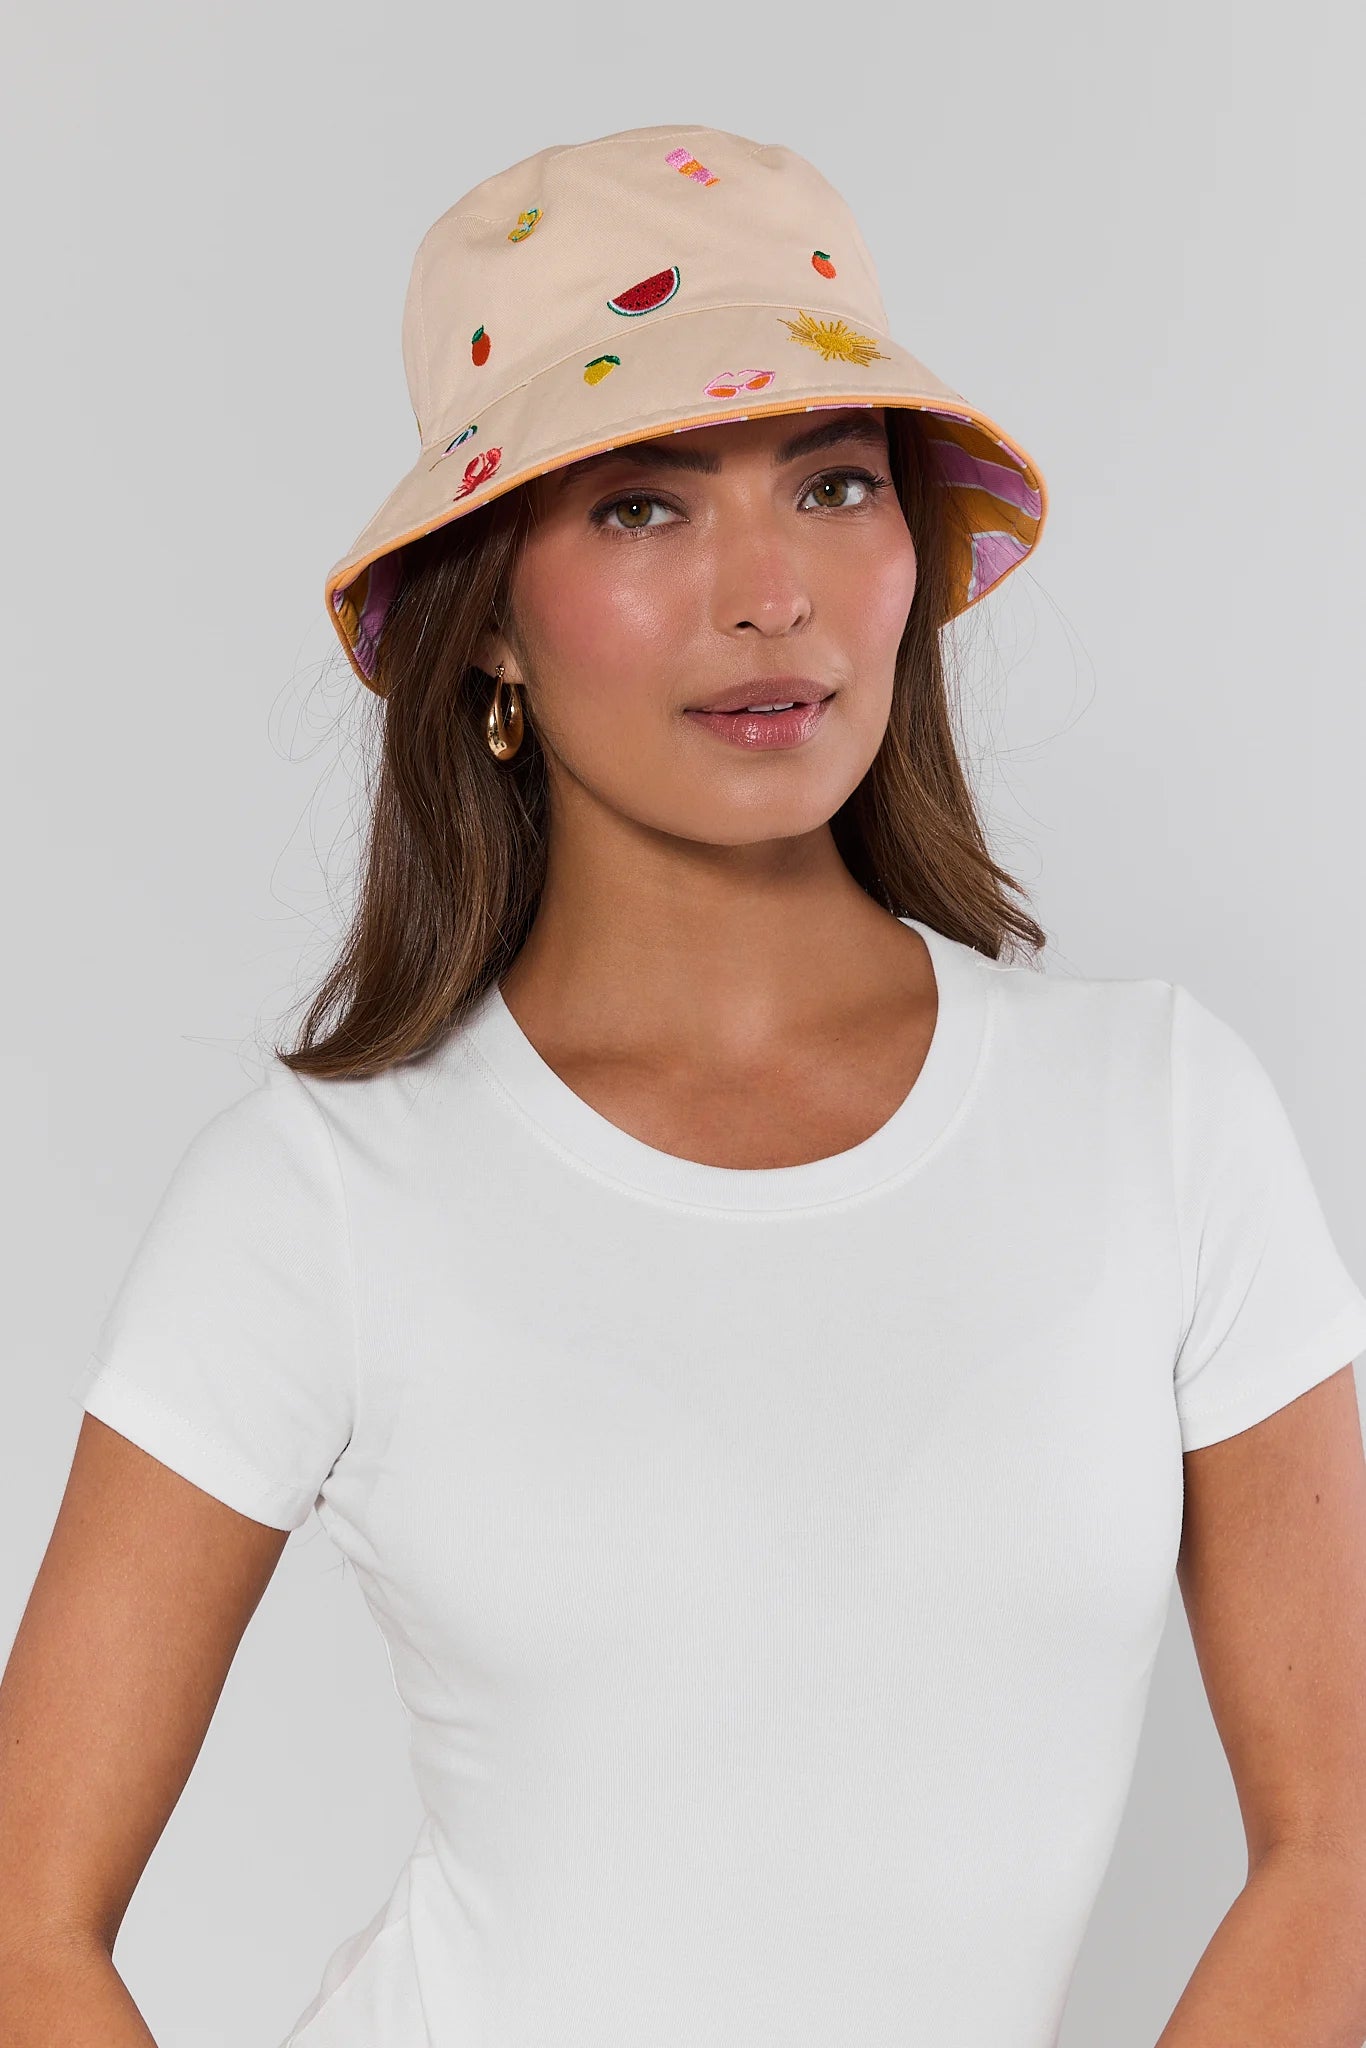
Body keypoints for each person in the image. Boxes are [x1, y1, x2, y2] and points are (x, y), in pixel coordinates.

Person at [3, 122, 1366, 2048]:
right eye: (640, 506)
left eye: (829, 481)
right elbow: (23, 1925)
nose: (769, 592)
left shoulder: (1156, 1114)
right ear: (484, 619)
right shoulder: (322, 1192)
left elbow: (1341, 1848)